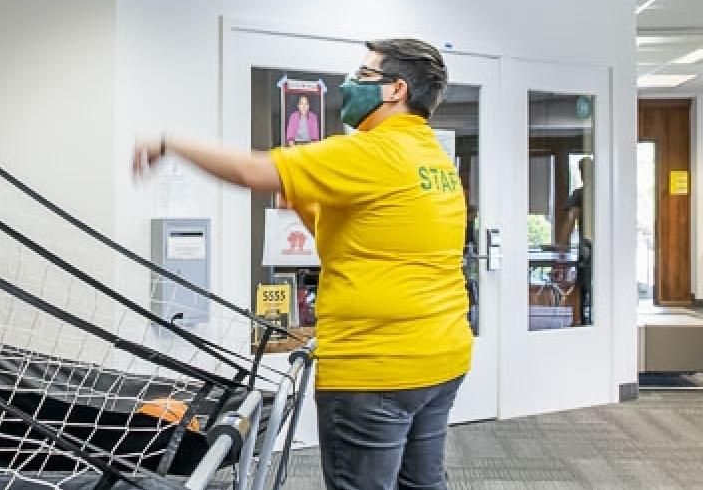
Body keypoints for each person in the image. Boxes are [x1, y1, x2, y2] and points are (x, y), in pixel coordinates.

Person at [134, 39, 469, 490]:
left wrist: (170, 143)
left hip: (376, 366)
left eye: (365, 75)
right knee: (421, 485)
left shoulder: (372, 152)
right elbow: (368, 237)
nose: (351, 83)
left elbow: (253, 171)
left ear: (396, 91)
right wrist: (307, 204)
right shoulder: (434, 160)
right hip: (440, 355)